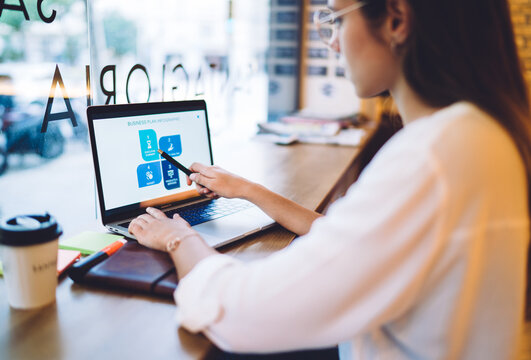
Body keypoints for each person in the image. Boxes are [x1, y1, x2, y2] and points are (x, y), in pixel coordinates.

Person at [129, 0, 531, 358]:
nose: (333, 43)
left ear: (395, 19)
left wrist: (177, 238)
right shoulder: (480, 134)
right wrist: (248, 190)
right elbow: (355, 238)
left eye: (336, 19)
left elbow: (236, 314)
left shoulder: (434, 156)